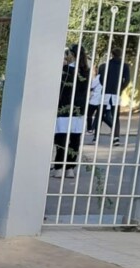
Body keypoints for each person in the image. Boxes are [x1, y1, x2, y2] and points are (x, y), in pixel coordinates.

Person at [52, 44, 91, 178]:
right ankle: (70, 168)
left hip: (64, 107)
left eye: (67, 53)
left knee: (61, 138)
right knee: (75, 139)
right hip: (79, 109)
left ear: (72, 55)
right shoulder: (86, 71)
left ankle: (58, 168)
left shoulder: (66, 70)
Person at [92, 48, 131, 146]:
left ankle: (96, 137)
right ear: (121, 55)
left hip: (106, 92)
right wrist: (120, 88)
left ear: (112, 54)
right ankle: (116, 138)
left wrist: (106, 86)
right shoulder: (125, 66)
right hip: (116, 93)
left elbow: (101, 79)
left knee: (100, 115)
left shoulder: (105, 65)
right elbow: (127, 80)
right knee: (115, 117)